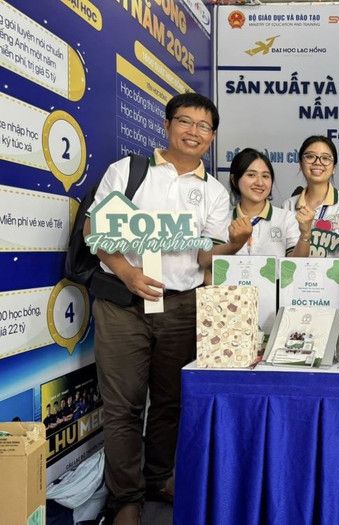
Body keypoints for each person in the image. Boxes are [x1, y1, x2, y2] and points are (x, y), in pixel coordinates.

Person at [85, 92, 233, 524]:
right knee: (123, 406)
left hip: (181, 306)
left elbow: (205, 256)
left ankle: (158, 478)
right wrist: (126, 273)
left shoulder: (214, 192)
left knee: (170, 402)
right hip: (123, 303)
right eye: (185, 121)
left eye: (204, 126)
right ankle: (125, 500)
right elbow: (94, 229)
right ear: (167, 125)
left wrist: (235, 244)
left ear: (212, 137)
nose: (193, 132)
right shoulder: (129, 171)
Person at [282, 135, 339, 263]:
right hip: (302, 275)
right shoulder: (288, 205)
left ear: (334, 168)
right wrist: (305, 235)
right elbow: (292, 263)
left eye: (325, 158)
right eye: (310, 156)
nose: (317, 162)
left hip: (338, 276)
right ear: (300, 164)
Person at [226, 148, 314, 258]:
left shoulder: (286, 218)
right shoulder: (222, 220)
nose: (260, 183)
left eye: (265, 176)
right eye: (251, 175)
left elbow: (296, 263)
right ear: (234, 179)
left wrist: (305, 235)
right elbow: (211, 263)